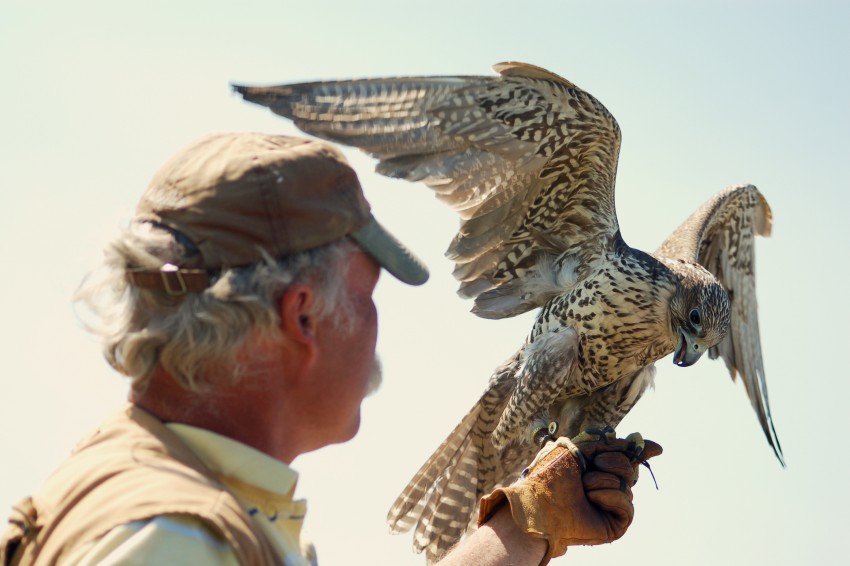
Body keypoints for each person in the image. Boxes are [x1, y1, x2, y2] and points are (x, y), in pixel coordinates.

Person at [0, 132, 660, 566]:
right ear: (304, 316)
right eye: (368, 297)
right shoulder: (173, 539)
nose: (379, 329)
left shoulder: (168, 492)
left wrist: (524, 525)